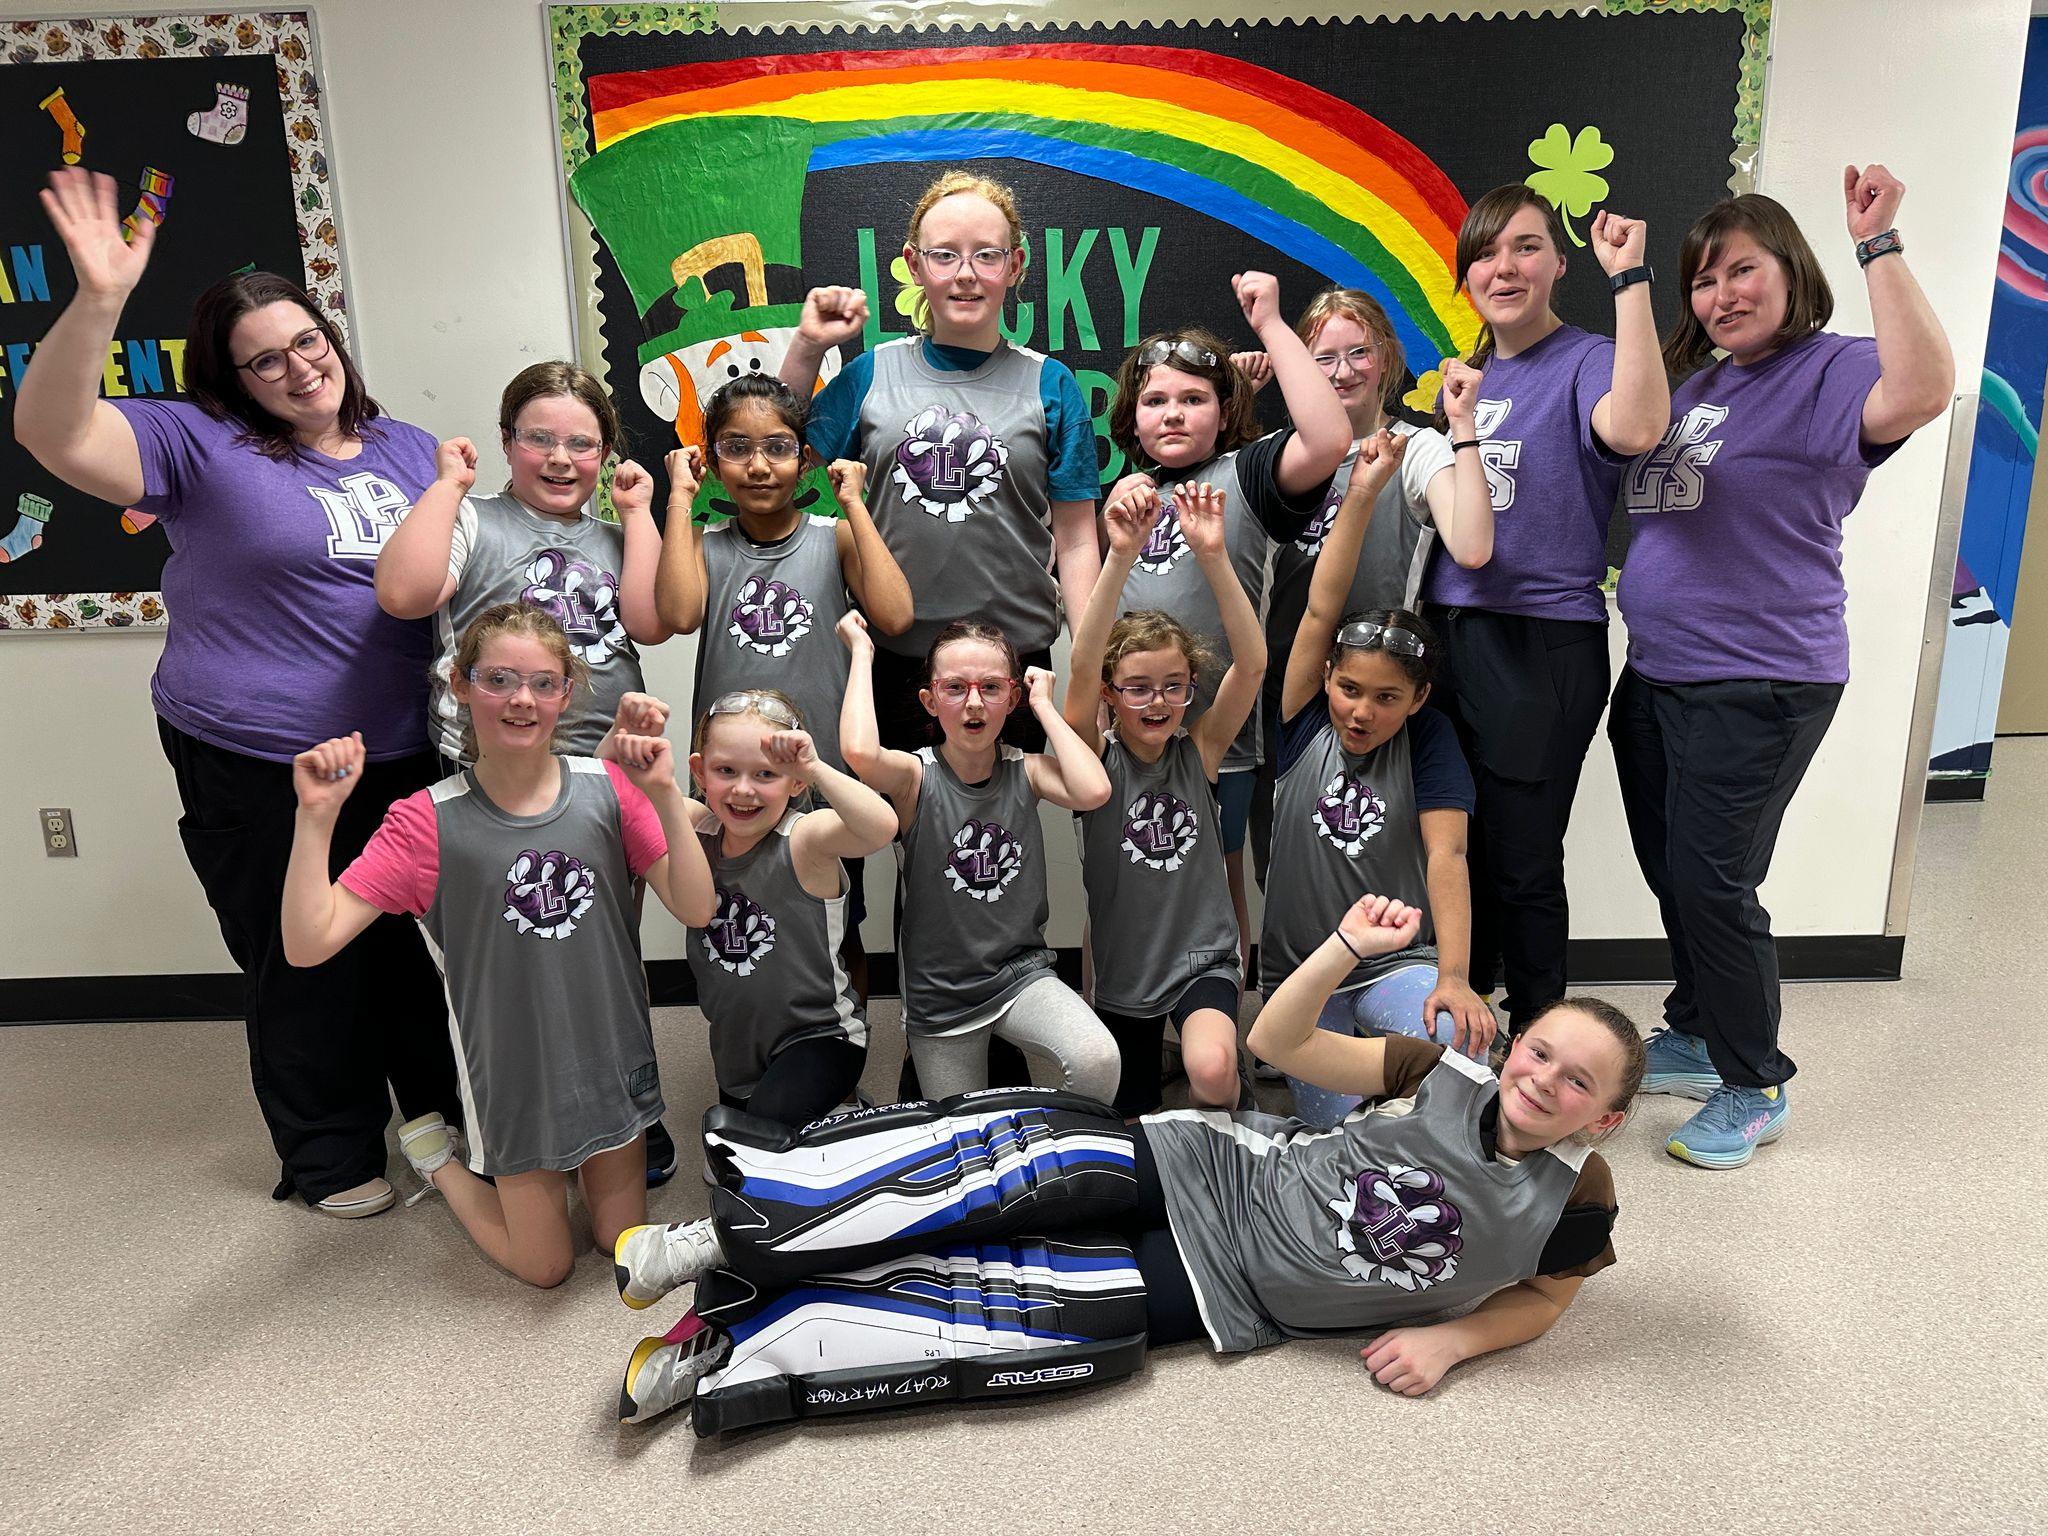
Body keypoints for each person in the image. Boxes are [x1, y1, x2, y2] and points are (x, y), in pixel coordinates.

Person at [607, 892, 1642, 1432]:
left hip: (1224, 1292)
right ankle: (719, 1240)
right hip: (1214, 1169)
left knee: (986, 1307)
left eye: (1577, 1083)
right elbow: (1279, 1046)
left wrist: (1454, 1343)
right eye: (1540, 1052)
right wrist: (1340, 949)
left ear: (1603, 1120)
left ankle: (734, 1341)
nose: (1546, 1080)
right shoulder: (1444, 1069)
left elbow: (1544, 1299)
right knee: (980, 1181)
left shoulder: (1574, 1200)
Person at [13, 167, 458, 1218]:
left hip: (399, 746)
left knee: (403, 947)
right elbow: (53, 433)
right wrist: (99, 300)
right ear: (232, 378)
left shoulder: (401, 446)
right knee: (296, 952)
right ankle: (328, 1154)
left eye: (309, 343)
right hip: (258, 752)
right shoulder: (194, 442)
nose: (297, 369)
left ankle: (439, 1118)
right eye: (264, 361)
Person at [1610, 167, 1953, 1169]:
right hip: (1658, 671)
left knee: (1713, 881)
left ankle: (1753, 1080)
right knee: (1669, 866)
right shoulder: (1698, 381)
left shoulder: (1833, 368)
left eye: (1741, 271)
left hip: (1759, 677)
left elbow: (1924, 390)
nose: (1720, 295)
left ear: (1789, 271)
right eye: (1703, 280)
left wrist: (1877, 243)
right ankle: (1691, 1023)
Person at [280, 604, 716, 1286]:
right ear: (459, 684)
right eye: (499, 679)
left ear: (567, 693)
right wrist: (315, 820)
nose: (522, 699)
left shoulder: (610, 790)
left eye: (544, 682)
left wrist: (662, 794)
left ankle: (578, 1165)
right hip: (512, 1076)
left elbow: (697, 906)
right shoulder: (424, 822)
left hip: (609, 1056)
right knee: (546, 1267)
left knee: (621, 1242)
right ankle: (439, 1160)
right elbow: (309, 945)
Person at [1420, 190, 1671, 1033]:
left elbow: (1637, 426)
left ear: (1559, 264)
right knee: (1460, 849)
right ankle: (1475, 1020)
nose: (1506, 268)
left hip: (1542, 639)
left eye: (1526, 248)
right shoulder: (1464, 379)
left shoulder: (1590, 359)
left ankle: (1539, 1035)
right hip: (1447, 635)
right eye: (1487, 254)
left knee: (1522, 858)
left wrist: (1629, 278)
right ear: (1465, 280)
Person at [779, 168, 1101, 756]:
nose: (966, 274)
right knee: (913, 834)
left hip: (1015, 667)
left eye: (987, 255)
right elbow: (778, 458)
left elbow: (1078, 538)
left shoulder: (1051, 385)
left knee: (1007, 834)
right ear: (913, 263)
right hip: (898, 662)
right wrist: (806, 348)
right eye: (945, 255)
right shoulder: (872, 373)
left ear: (1017, 265)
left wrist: (1090, 662)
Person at [1101, 276, 1350, 971]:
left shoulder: (1247, 473)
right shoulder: (1125, 491)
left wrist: (1271, 323)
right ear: (1131, 415)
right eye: (1155, 401)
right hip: (1125, 732)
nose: (1173, 414)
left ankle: (1221, 1011)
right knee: (1118, 871)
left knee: (1219, 867)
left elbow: (1328, 438)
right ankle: (1120, 1019)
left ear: (1223, 410)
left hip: (1218, 733)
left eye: (1193, 399)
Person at [653, 373, 913, 1001]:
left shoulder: (835, 536)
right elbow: (680, 615)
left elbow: (897, 614)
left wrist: (853, 503)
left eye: (778, 447)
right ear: (711, 460)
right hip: (732, 783)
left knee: (836, 921)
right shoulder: (703, 542)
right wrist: (680, 498)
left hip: (816, 776)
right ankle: (751, 1050)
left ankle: (842, 1051)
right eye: (736, 448)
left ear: (804, 458)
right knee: (736, 917)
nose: (759, 465)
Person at [1266, 432, 1496, 1127]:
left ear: (1419, 699)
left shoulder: (1430, 740)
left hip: (1397, 964)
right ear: (1328, 679)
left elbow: (1447, 857)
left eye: (1387, 698)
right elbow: (1319, 608)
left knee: (1458, 1065)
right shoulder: (1305, 715)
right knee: (1340, 1134)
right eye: (1350, 688)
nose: (1361, 711)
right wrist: (1362, 494)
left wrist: (1454, 977)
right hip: (1309, 977)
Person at [1246, 287, 1494, 881]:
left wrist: (1462, 428)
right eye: (1321, 358)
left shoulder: (1417, 449)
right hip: (1285, 690)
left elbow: (1472, 545)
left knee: (1371, 854)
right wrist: (1236, 403)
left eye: (1358, 352)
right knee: (1283, 856)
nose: (1342, 371)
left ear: (1385, 356)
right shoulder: (1269, 458)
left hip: (1374, 693)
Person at [839, 612, 1117, 1099]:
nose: (974, 703)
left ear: (1011, 699)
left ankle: (1071, 1154)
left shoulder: (1027, 771)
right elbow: (860, 753)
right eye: (955, 688)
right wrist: (863, 654)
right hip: (942, 995)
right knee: (963, 1139)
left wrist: (1043, 707)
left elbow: (1094, 790)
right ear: (929, 701)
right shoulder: (914, 778)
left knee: (1098, 1058)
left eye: (991, 688)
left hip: (1019, 975)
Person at [1063, 481, 1265, 1114]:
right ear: (1110, 694)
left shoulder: (1198, 749)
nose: (1157, 701)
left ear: (1189, 688)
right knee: (1132, 1117)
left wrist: (1213, 556)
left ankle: (1232, 1104)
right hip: (1125, 972)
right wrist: (1120, 554)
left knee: (1210, 1072)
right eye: (1138, 687)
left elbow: (1252, 665)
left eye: (1172, 686)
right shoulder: (1091, 757)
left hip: (1202, 954)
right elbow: (1081, 665)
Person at [374, 360, 668, 768]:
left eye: (581, 444)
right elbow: (402, 596)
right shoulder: (471, 517)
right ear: (507, 442)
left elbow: (651, 627)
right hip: (487, 766)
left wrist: (636, 515)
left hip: (608, 762)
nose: (560, 458)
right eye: (539, 439)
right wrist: (448, 487)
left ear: (604, 454)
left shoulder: (619, 536)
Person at [681, 689, 898, 1126]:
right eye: (726, 770)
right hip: (737, 1042)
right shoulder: (694, 827)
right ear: (700, 773)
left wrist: (816, 768)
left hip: (821, 1036)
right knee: (732, 1150)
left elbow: (881, 827)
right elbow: (628, 808)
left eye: (765, 774)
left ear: (795, 783)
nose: (744, 790)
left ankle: (846, 1106)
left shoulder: (804, 838)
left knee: (768, 1132)